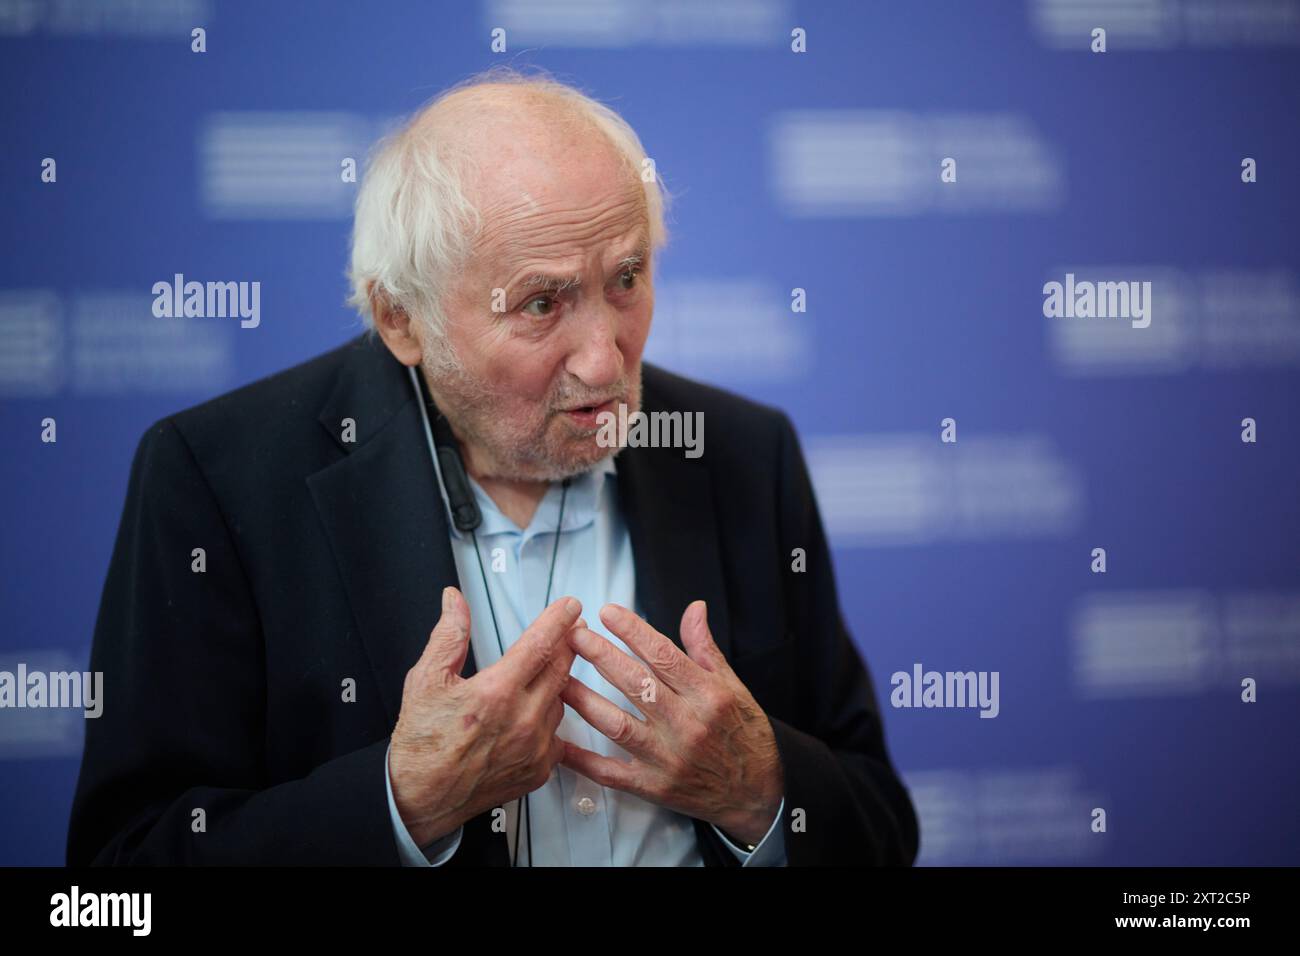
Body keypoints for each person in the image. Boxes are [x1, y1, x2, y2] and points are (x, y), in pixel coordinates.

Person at [66, 67, 919, 866]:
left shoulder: (742, 453)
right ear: (403, 319)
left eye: (626, 278)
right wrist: (400, 806)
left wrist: (762, 791)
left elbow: (881, 824)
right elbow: (121, 873)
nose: (604, 361)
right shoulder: (217, 478)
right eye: (542, 303)